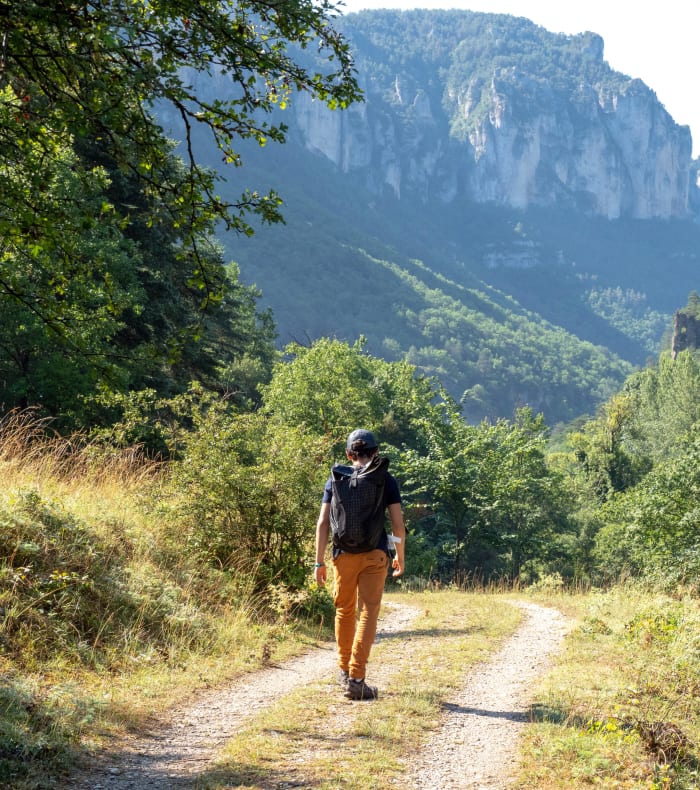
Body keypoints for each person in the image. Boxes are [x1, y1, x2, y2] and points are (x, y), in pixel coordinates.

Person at [314, 429, 406, 701]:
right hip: (375, 554)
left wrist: (319, 562)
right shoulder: (385, 479)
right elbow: (398, 524)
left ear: (348, 454)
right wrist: (400, 554)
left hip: (343, 555)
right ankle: (357, 678)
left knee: (344, 610)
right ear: (375, 453)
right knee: (368, 613)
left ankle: (344, 670)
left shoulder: (336, 478)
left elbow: (322, 523)